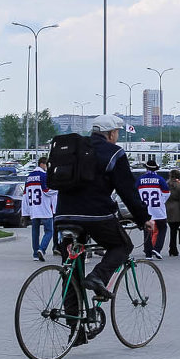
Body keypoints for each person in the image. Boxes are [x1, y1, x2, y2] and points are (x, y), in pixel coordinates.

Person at [54, 114, 153, 304]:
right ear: (111, 133)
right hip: (95, 216)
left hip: (63, 215)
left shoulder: (74, 149)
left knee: (72, 273)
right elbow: (127, 191)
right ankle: (98, 276)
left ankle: (76, 330)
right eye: (117, 133)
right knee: (122, 245)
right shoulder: (114, 153)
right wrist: (143, 218)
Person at [23, 156, 55, 261]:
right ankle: (42, 249)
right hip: (44, 208)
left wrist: (25, 212)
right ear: (42, 164)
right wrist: (58, 189)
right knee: (49, 231)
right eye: (47, 165)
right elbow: (47, 191)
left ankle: (35, 254)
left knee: (35, 232)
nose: (47, 168)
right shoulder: (44, 176)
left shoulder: (29, 177)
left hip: (33, 208)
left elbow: (25, 195)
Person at [137, 160, 170, 260]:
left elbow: (135, 194)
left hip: (145, 209)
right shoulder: (160, 179)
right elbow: (167, 193)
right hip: (158, 210)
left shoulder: (140, 180)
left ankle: (148, 253)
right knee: (162, 228)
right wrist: (161, 201)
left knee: (147, 231)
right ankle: (157, 248)